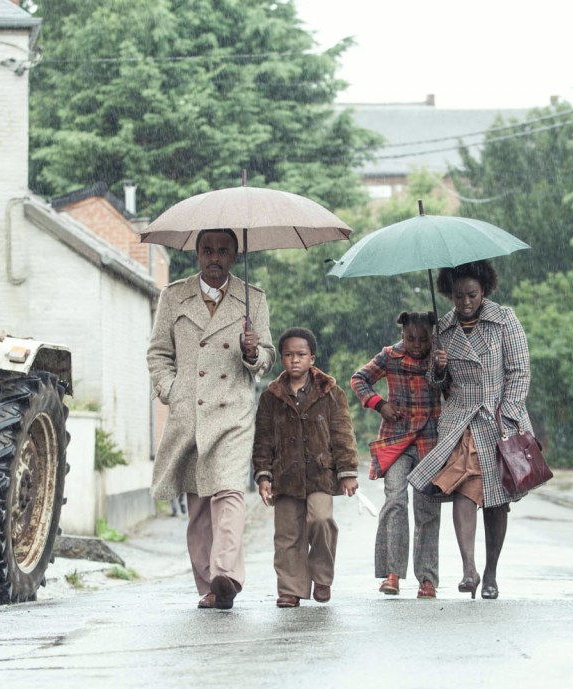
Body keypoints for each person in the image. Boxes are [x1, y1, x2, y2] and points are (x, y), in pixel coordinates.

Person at [147, 228, 275, 610]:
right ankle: (208, 587)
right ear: (197, 254)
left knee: (230, 492)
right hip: (190, 412)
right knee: (199, 503)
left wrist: (253, 352)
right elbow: (157, 353)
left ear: (234, 256)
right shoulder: (173, 296)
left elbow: (268, 357)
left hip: (233, 411)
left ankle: (226, 575)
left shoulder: (254, 299)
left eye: (222, 251)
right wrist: (172, 390)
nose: (214, 257)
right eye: (207, 250)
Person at [408, 260, 533, 600]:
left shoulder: (505, 320)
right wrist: (438, 368)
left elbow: (519, 371)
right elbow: (437, 384)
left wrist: (508, 411)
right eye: (458, 296)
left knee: (496, 501)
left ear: (485, 291)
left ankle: (490, 572)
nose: (465, 303)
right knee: (464, 489)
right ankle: (469, 569)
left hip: (498, 419)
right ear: (449, 294)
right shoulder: (443, 329)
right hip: (460, 419)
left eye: (472, 295)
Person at [251, 327, 358, 608]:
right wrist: (263, 475)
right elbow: (262, 440)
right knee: (287, 534)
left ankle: (321, 578)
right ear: (282, 359)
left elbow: (343, 434)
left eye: (300, 355)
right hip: (285, 476)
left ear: (312, 357)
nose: (294, 360)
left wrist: (347, 472)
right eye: (288, 355)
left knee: (321, 520)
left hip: (320, 473)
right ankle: (290, 588)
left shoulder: (330, 392)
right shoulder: (271, 397)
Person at [350, 312, 442, 598]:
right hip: (397, 439)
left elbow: (451, 390)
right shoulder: (389, 356)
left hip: (430, 440)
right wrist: (380, 404)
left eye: (423, 338)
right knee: (395, 501)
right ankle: (392, 574)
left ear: (431, 335)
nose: (416, 344)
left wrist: (441, 370)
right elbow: (359, 379)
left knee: (427, 510)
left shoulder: (439, 357)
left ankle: (427, 579)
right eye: (410, 338)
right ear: (402, 335)